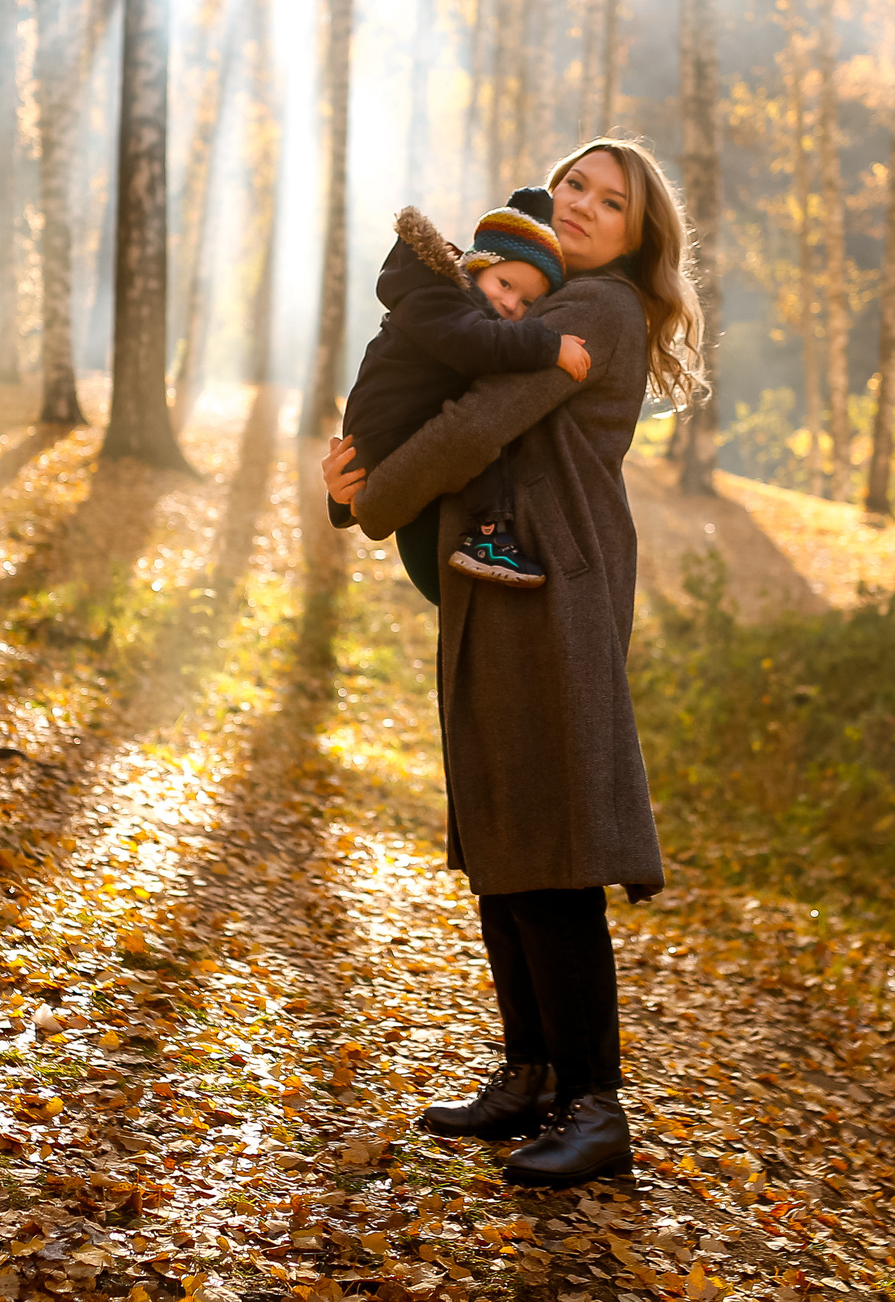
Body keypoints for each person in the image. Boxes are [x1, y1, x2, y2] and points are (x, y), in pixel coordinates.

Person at [322, 138, 704, 1189]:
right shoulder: (536, 301)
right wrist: (356, 478)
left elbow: (475, 424)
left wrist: (372, 498)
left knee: (553, 837)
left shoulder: (599, 311)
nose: (581, 204)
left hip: (557, 589)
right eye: (573, 184)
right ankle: (531, 1073)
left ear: (638, 234)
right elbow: (428, 387)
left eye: (610, 200)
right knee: (501, 825)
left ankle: (594, 1103)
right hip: (497, 581)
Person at [337, 188, 593, 600]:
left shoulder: (453, 303)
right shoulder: (438, 299)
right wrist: (549, 346)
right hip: (384, 434)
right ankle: (488, 537)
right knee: (479, 422)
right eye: (505, 283)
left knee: (484, 414)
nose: (510, 304)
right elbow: (477, 344)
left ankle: (490, 538)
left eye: (528, 301)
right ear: (476, 268)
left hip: (394, 439)